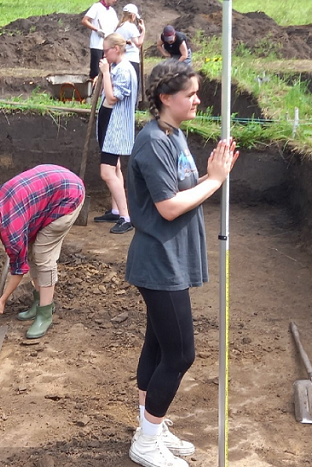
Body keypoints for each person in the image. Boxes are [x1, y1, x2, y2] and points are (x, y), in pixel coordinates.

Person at [125, 60, 238, 467]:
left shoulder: (173, 134)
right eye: (190, 94)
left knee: (157, 345)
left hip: (170, 257)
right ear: (165, 98)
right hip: (159, 261)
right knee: (181, 354)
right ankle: (147, 441)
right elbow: (169, 206)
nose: (197, 99)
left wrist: (211, 173)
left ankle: (148, 426)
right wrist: (215, 180)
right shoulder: (153, 141)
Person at [0, 165, 85, 339]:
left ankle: (45, 314)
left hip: (67, 196)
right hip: (49, 190)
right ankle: (40, 300)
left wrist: (2, 300)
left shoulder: (12, 232)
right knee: (32, 252)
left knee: (42, 254)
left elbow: (18, 271)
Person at [92, 33, 138, 234]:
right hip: (107, 123)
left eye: (106, 50)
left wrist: (106, 73)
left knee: (107, 171)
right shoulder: (117, 68)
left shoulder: (124, 71)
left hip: (115, 127)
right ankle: (116, 209)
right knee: (115, 166)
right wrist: (104, 76)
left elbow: (111, 98)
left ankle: (126, 217)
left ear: (116, 49)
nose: (103, 54)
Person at [81, 0, 120, 80]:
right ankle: (93, 92)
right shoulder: (97, 7)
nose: (115, 0)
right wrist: (96, 29)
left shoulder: (112, 11)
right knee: (96, 70)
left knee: (107, 70)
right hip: (97, 44)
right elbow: (85, 21)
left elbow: (116, 26)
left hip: (109, 45)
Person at [115, 3, 144, 100]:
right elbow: (138, 44)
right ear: (133, 15)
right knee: (133, 84)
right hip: (132, 59)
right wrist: (143, 31)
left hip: (121, 59)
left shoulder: (119, 27)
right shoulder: (131, 27)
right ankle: (133, 105)